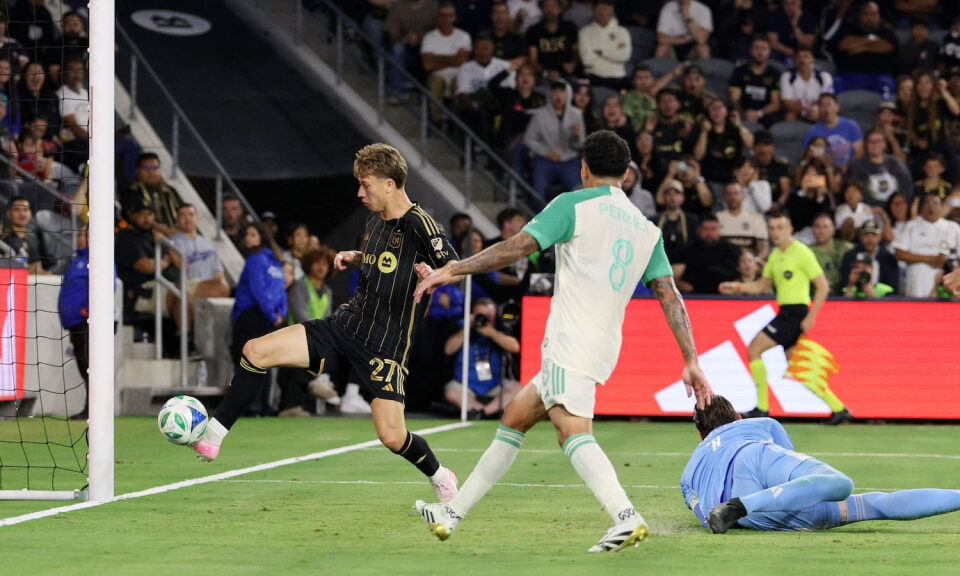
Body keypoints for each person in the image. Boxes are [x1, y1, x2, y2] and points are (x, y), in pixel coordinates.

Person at [412, 130, 711, 552]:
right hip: (603, 344)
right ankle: (452, 512)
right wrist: (691, 359)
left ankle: (625, 517)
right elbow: (669, 294)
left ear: (583, 169)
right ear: (627, 175)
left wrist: (454, 269)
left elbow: (517, 247)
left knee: (571, 430)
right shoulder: (648, 230)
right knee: (515, 417)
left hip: (570, 340)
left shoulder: (572, 205)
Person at [188, 144, 462, 508]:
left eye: (365, 184)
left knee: (393, 437)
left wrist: (435, 274)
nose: (359, 192)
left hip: (384, 345)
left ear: (390, 184)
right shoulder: (375, 219)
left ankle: (440, 476)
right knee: (255, 350)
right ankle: (214, 433)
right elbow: (386, 259)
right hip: (344, 326)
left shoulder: (421, 223)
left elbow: (456, 267)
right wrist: (358, 256)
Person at [682, 395, 960, 534]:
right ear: (738, 417)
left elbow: (699, 510)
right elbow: (793, 475)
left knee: (862, 503)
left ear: (700, 434)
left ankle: (737, 508)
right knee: (844, 487)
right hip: (755, 469)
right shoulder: (762, 424)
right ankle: (739, 505)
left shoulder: (689, 471)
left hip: (750, 520)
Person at [718, 210, 849, 424]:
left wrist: (811, 316)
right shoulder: (775, 255)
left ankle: (762, 408)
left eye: (780, 228)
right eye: (772, 228)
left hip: (795, 313)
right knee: (798, 366)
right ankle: (839, 409)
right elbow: (761, 285)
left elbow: (823, 286)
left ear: (790, 230)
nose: (775, 232)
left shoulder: (802, 252)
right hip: (786, 312)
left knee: (754, 350)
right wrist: (737, 286)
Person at [278, 246, 342, 417]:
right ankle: (293, 403)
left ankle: (320, 384)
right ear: (309, 265)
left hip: (315, 339)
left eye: (325, 264)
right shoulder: (300, 286)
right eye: (317, 263)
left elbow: (329, 317)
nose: (321, 267)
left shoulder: (328, 291)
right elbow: (301, 316)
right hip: (296, 337)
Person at [443, 297, 520, 419]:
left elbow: (515, 347)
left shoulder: (499, 328)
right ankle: (477, 409)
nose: (483, 319)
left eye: (488, 316)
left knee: (518, 389)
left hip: (494, 384)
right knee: (451, 392)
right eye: (480, 315)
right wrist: (467, 328)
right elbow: (448, 349)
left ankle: (483, 412)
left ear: (494, 317)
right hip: (465, 384)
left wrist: (491, 333)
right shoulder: (462, 326)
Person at [523, 80, 584, 201]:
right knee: (539, 190)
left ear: (568, 94)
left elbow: (579, 145)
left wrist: (576, 137)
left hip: (569, 159)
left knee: (580, 190)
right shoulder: (539, 114)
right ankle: (538, 212)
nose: (558, 96)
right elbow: (528, 139)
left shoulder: (576, 114)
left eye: (562, 92)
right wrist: (546, 152)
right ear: (550, 94)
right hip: (545, 159)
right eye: (555, 92)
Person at [894, 194, 960, 298]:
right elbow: (899, 253)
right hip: (918, 284)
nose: (931, 206)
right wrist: (929, 259)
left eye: (935, 203)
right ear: (921, 207)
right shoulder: (912, 226)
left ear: (942, 207)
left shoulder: (953, 227)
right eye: (927, 203)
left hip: (947, 284)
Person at [831, 1, 898, 97]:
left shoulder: (886, 32)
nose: (869, 18)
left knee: (886, 84)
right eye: (866, 14)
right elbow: (843, 45)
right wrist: (870, 39)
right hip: (849, 75)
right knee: (836, 82)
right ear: (860, 16)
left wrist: (859, 47)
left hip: (878, 76)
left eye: (873, 14)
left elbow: (888, 47)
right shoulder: (849, 29)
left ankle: (886, 107)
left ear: (879, 17)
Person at [421, 3, 472, 123]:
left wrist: (436, 57)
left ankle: (456, 122)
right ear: (438, 17)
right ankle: (436, 121)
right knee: (435, 83)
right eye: (443, 15)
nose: (446, 19)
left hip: (458, 74)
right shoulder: (429, 37)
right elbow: (428, 65)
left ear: (455, 18)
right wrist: (454, 59)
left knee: (460, 84)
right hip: (437, 74)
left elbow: (463, 61)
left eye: (449, 15)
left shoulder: (463, 36)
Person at [169, 204, 231, 300]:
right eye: (182, 215)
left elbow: (218, 273)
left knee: (223, 286)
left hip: (212, 289)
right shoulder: (172, 243)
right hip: (189, 288)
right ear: (177, 220)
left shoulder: (208, 243)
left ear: (197, 218)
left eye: (191, 214)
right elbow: (182, 267)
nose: (187, 219)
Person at [385, 0, 439, 103]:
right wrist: (406, 38)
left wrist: (420, 38)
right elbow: (392, 34)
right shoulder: (397, 6)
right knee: (397, 49)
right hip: (405, 44)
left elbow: (439, 33)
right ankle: (397, 92)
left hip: (427, 44)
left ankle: (428, 93)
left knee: (436, 47)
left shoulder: (433, 6)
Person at [847, 128, 913, 208]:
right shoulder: (857, 166)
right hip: (867, 211)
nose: (875, 144)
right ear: (866, 144)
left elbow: (907, 190)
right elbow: (852, 194)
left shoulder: (897, 164)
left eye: (878, 141)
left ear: (884, 143)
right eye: (871, 141)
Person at [675, 214, 740, 294]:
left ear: (719, 230)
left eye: (713, 229)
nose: (709, 233)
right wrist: (680, 285)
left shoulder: (732, 249)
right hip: (694, 295)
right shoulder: (686, 250)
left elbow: (744, 273)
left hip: (728, 295)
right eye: (705, 229)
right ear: (698, 230)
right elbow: (674, 277)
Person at [123, 153, 183, 238]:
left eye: (155, 168)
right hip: (145, 237)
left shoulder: (170, 191)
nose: (151, 172)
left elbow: (183, 211)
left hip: (176, 235)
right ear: (137, 172)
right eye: (146, 168)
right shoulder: (131, 192)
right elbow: (136, 217)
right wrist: (165, 231)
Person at [577, 0, 632, 91]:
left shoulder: (622, 32)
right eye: (600, 9)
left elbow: (624, 56)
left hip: (618, 77)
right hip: (593, 76)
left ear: (612, 10)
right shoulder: (584, 32)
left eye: (606, 9)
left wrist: (601, 52)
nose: (603, 12)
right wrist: (613, 53)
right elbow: (587, 60)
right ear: (593, 10)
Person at [729, 35, 782, 127]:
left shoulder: (775, 74)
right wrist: (743, 113)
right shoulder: (740, 71)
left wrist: (759, 113)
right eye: (756, 48)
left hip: (764, 115)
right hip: (743, 113)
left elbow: (776, 103)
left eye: (764, 48)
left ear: (769, 51)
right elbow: (734, 99)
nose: (760, 52)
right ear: (750, 50)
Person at [801, 93, 863, 170]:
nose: (826, 109)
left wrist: (846, 168)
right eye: (822, 105)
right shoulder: (812, 131)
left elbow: (859, 152)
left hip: (849, 169)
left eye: (829, 104)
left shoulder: (851, 126)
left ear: (838, 107)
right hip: (823, 170)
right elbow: (806, 155)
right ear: (819, 109)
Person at [839, 220, 898, 298]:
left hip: (882, 301)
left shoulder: (888, 259)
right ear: (860, 237)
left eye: (873, 235)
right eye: (866, 235)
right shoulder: (850, 257)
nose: (870, 239)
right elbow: (843, 289)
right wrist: (850, 284)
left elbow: (893, 292)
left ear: (880, 237)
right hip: (855, 299)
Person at [525, 0, 578, 81]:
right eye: (546, 6)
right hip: (543, 77)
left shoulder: (569, 27)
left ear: (560, 9)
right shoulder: (533, 31)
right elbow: (533, 60)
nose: (549, 10)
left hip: (568, 75)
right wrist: (545, 73)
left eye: (553, 6)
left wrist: (573, 64)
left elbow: (576, 52)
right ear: (541, 9)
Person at [717, 182, 769, 260]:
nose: (733, 197)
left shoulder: (756, 219)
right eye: (729, 194)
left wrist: (755, 262)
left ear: (744, 196)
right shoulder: (716, 218)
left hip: (749, 264)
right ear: (724, 198)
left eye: (736, 193)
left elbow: (763, 248)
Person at [780, 47, 833, 123]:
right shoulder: (787, 76)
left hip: (818, 111)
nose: (802, 60)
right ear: (794, 60)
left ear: (812, 59)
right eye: (798, 57)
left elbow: (828, 100)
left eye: (806, 56)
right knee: (789, 116)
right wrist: (805, 112)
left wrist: (816, 111)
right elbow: (787, 103)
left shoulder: (824, 76)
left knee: (827, 114)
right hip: (798, 112)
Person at [1, 195, 49, 274]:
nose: (22, 214)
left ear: (30, 213)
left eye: (26, 209)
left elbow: (40, 263)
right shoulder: (2, 239)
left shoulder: (35, 237)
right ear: (8, 213)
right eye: (17, 210)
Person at [808, 212, 852, 295]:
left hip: (842, 295)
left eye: (825, 227)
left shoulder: (845, 247)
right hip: (815, 295)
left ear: (833, 230)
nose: (821, 231)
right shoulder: (807, 251)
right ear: (812, 229)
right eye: (817, 227)